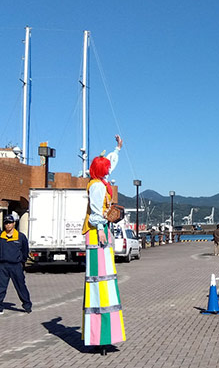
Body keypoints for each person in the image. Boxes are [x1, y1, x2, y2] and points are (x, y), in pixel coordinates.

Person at [82, 135, 125, 355]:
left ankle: (105, 334)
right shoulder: (97, 187)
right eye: (106, 168)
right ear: (101, 171)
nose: (109, 170)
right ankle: (100, 335)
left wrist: (117, 149)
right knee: (100, 281)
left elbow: (108, 162)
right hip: (96, 233)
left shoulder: (100, 181)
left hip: (101, 231)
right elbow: (96, 213)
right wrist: (100, 229)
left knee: (105, 280)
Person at [0, 214, 32, 315]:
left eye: (10, 223)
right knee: (1, 287)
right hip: (3, 266)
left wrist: (21, 261)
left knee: (20, 286)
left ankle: (27, 305)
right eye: (6, 223)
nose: (8, 225)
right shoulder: (1, 236)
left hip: (16, 265)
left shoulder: (20, 237)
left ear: (14, 223)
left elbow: (25, 250)